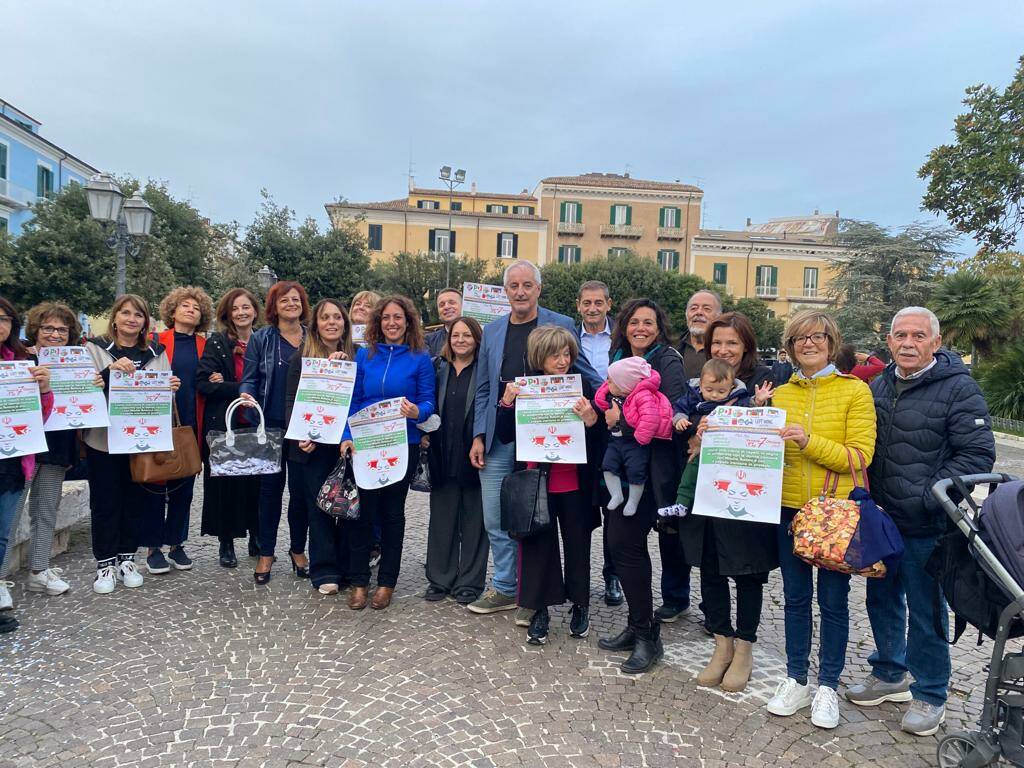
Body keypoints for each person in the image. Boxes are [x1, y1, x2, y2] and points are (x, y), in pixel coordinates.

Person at [845, 307, 995, 737]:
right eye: (900, 335)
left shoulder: (960, 389)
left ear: (936, 341)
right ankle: (890, 673)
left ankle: (931, 693)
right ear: (889, 341)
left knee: (927, 612)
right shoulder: (878, 385)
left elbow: (976, 456)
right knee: (881, 599)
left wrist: (927, 493)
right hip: (880, 519)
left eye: (917, 335)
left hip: (929, 524)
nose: (908, 343)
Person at [468, 260, 600, 620]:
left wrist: (609, 401)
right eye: (514, 286)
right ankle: (508, 587)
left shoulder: (561, 324)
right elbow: (483, 388)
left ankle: (534, 596)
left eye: (528, 285)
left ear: (538, 289)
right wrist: (479, 434)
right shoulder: (492, 331)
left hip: (550, 441)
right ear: (505, 291)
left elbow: (584, 374)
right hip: (502, 433)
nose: (521, 291)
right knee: (499, 517)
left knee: (542, 518)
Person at [765, 309, 876, 730]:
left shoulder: (854, 392)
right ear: (791, 347)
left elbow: (859, 456)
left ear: (831, 342)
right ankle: (796, 678)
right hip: (789, 509)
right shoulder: (780, 393)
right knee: (794, 598)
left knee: (832, 601)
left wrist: (809, 442)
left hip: (833, 514)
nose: (808, 344)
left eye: (817, 337)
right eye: (799, 339)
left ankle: (827, 684)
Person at [677, 311, 776, 692]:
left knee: (748, 572)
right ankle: (721, 643)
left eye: (732, 342)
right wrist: (695, 434)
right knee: (711, 569)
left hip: (748, 492)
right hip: (708, 490)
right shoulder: (702, 385)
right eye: (717, 342)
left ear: (746, 346)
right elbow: (679, 429)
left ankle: (745, 647)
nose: (724, 349)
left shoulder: (764, 382)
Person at [495, 326, 600, 645]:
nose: (563, 360)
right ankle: (539, 609)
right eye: (556, 354)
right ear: (541, 356)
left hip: (573, 481)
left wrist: (591, 419)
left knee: (578, 545)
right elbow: (505, 435)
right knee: (539, 548)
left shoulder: (581, 386)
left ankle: (580, 604)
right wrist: (507, 404)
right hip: (536, 481)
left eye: (567, 353)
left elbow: (597, 438)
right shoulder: (524, 387)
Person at [598, 298, 685, 674]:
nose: (641, 328)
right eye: (634, 321)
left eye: (648, 322)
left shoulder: (667, 360)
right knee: (621, 546)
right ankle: (638, 626)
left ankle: (648, 636)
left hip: (650, 472)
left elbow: (672, 419)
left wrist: (623, 423)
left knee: (627, 546)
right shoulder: (618, 357)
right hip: (622, 464)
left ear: (658, 326)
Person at [339, 295, 435, 610]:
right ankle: (358, 582)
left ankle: (387, 583)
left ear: (408, 322)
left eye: (398, 317)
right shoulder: (364, 357)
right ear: (377, 323)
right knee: (362, 515)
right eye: (386, 318)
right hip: (365, 444)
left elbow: (428, 402)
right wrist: (346, 435)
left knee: (393, 515)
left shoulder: (420, 357)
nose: (392, 323)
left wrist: (415, 412)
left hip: (401, 443)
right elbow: (352, 401)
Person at [83, 295, 180, 595]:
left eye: (138, 315)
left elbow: (163, 396)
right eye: (125, 313)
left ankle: (128, 558)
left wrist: (170, 388)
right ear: (114, 318)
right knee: (105, 502)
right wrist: (107, 374)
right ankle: (105, 563)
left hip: (140, 441)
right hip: (103, 440)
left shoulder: (155, 352)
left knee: (135, 501)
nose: (131, 319)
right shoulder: (95, 349)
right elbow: (85, 390)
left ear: (145, 322)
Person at [0, 303, 82, 607]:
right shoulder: (19, 358)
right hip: (21, 448)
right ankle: (1, 577)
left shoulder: (76, 362)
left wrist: (97, 382)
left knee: (47, 509)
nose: (55, 334)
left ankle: (39, 569)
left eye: (62, 329)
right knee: (10, 515)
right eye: (48, 328)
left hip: (57, 444)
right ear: (35, 329)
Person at [239, 280, 309, 584]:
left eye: (296, 299)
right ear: (274, 306)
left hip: (304, 427)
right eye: (285, 300)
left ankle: (297, 549)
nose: (291, 304)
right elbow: (249, 377)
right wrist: (245, 394)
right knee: (269, 493)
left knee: (301, 494)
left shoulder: (312, 337)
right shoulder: (262, 339)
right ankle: (266, 552)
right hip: (269, 425)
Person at [659, 289, 722, 623]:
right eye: (693, 307)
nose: (699, 312)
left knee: (711, 530)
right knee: (673, 527)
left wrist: (700, 431)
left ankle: (714, 608)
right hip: (673, 450)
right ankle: (674, 596)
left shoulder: (723, 352)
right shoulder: (672, 350)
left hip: (715, 455)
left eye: (706, 308)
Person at [141, 287, 212, 576]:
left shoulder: (204, 346)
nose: (190, 310)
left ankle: (176, 543)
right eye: (185, 305)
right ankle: (152, 546)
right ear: (172, 311)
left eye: (196, 307)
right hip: (159, 421)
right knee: (156, 485)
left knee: (184, 485)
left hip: (191, 422)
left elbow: (207, 380)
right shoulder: (154, 341)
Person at [286, 299, 355, 596]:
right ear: (316, 324)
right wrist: (301, 435)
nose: (331, 322)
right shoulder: (301, 359)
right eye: (325, 317)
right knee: (320, 509)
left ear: (345, 323)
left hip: (348, 443)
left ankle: (350, 567)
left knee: (350, 507)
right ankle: (324, 569)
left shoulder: (357, 357)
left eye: (337, 317)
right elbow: (291, 402)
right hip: (314, 446)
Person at [423, 316, 488, 604]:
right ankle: (440, 579)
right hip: (441, 450)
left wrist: (482, 437)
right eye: (456, 335)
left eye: (467, 335)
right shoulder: (438, 368)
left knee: (475, 520)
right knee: (442, 519)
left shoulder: (484, 369)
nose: (460, 340)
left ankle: (470, 582)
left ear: (477, 339)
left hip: (474, 451)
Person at [0, 297, 54, 633]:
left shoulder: (22, 362)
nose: (0, 324)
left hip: (13, 463)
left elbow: (39, 417)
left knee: (2, 536)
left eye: (5, 318)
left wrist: (45, 390)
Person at [198, 288, 262, 567]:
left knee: (256, 485)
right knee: (225, 486)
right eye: (235, 308)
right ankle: (226, 541)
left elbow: (270, 381)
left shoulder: (263, 341)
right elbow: (204, 383)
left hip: (256, 425)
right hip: (225, 427)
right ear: (227, 313)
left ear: (255, 311)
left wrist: (225, 383)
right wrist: (242, 389)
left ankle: (256, 536)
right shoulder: (218, 342)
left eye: (246, 307)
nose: (241, 313)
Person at [665, 358, 769, 529]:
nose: (714, 395)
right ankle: (682, 503)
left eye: (721, 391)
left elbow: (749, 408)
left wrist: (758, 401)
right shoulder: (693, 396)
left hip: (726, 451)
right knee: (691, 470)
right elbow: (679, 408)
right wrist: (680, 421)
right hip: (701, 447)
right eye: (709, 390)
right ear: (701, 384)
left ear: (732, 388)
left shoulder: (737, 398)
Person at [575, 280, 622, 607]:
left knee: (613, 505)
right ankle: (576, 578)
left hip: (615, 427)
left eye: (598, 303)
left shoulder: (622, 338)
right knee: (579, 504)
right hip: (577, 427)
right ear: (578, 305)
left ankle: (613, 576)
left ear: (608, 304)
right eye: (587, 303)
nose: (592, 308)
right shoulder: (568, 337)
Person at [594, 356, 673, 517]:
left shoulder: (643, 395)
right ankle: (616, 494)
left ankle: (633, 501)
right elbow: (601, 398)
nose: (607, 384)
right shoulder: (615, 393)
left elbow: (651, 418)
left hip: (635, 443)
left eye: (611, 381)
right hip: (615, 440)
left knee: (636, 472)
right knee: (608, 466)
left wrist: (641, 438)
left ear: (625, 385)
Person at [425, 288, 463, 358]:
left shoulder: (480, 339)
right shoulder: (428, 341)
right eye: (442, 305)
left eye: (452, 303)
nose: (446, 307)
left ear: (463, 306)